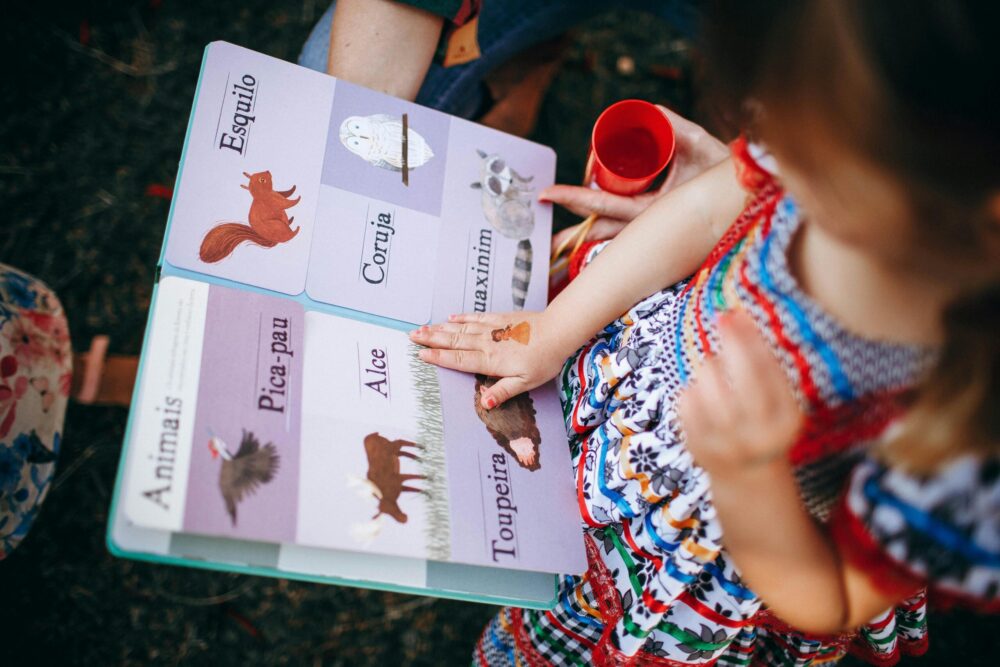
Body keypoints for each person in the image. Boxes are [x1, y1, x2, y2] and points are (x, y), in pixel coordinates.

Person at [409, 1, 1000, 664]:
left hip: (709, 550)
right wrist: (553, 332)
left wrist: (749, 480)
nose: (776, 146)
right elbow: (712, 200)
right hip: (632, 398)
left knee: (573, 626)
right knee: (531, 525)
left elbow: (836, 597)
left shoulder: (967, 427)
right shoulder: (846, 136)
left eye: (815, 153)